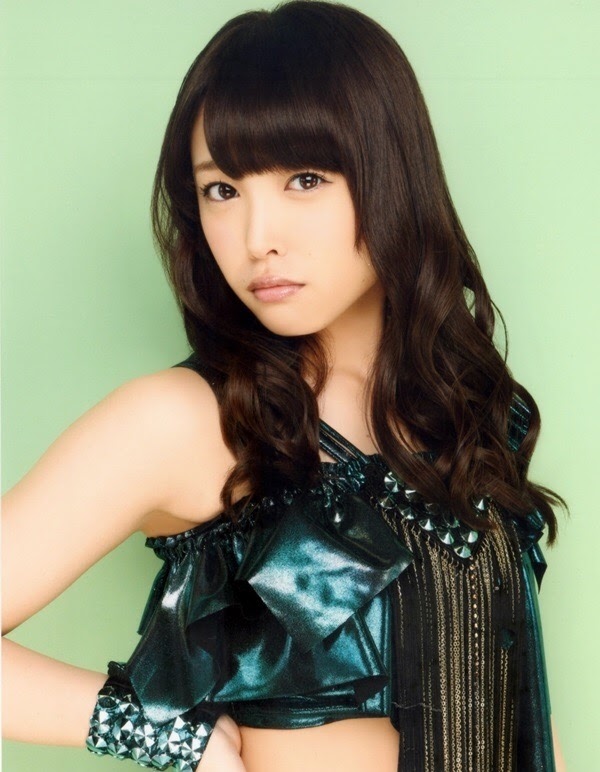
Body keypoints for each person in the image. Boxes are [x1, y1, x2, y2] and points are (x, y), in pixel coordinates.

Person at [2, 1, 566, 770]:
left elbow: (524, 710)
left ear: (391, 177)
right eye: (221, 190)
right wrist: (162, 732)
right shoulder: (187, 421)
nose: (257, 237)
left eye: (304, 179)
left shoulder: (465, 410)